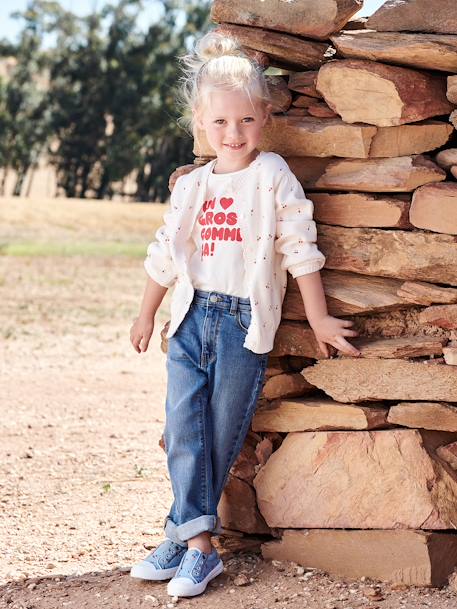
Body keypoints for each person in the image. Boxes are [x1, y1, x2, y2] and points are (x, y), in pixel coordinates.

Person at [129, 30, 360, 598]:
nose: (234, 135)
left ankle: (183, 537)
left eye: (246, 121)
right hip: (188, 321)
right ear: (199, 125)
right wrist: (144, 314)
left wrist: (320, 317)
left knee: (219, 432)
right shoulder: (194, 185)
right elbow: (166, 253)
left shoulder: (272, 174)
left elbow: (299, 249)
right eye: (219, 124)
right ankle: (200, 547)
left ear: (264, 115)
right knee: (182, 429)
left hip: (242, 325)